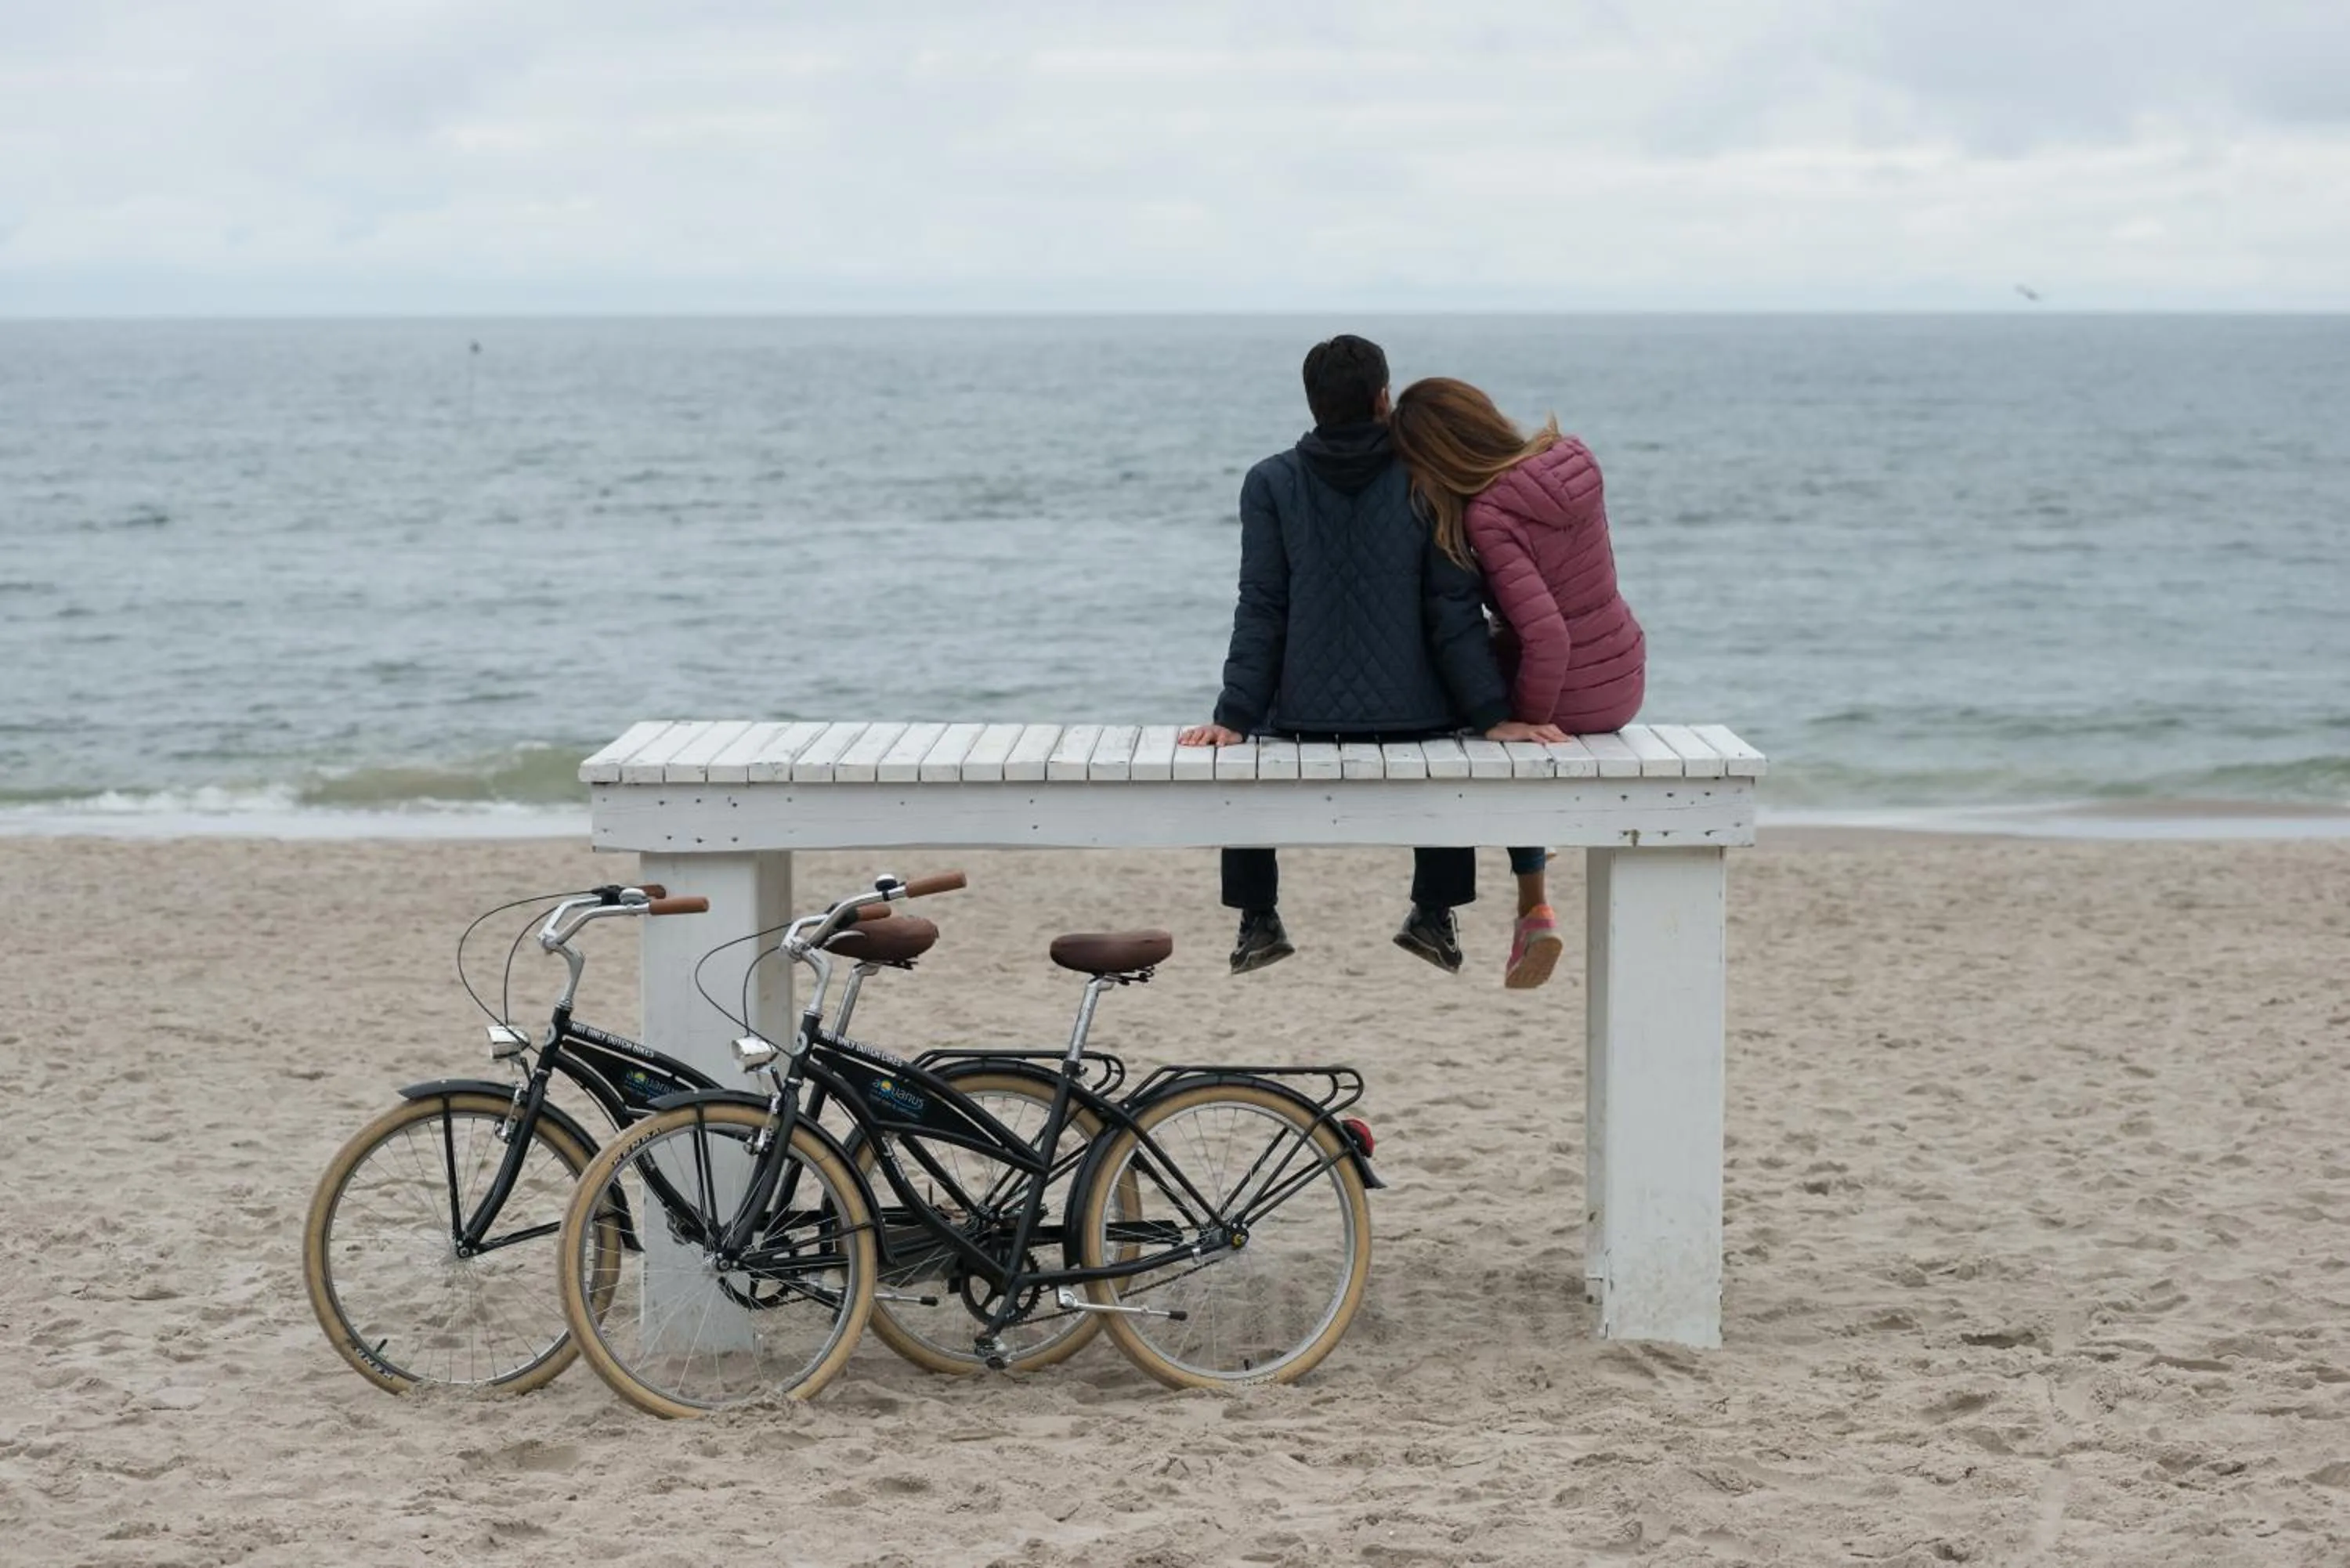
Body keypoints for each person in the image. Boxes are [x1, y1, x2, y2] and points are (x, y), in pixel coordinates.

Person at [1180, 336, 1564, 978]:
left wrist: (1234, 715)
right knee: (1452, 739)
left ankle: (1257, 917)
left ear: (1312, 403)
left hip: (1299, 717)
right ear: (1384, 399)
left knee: (1244, 757)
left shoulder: (1269, 482)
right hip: (1417, 719)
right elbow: (1452, 613)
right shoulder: (1429, 479)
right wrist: (1492, 714)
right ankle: (1435, 912)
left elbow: (1262, 607)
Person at [1388, 376, 1647, 990]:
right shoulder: (1574, 457)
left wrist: (1521, 720)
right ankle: (1530, 902)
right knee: (1498, 701)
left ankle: (1531, 905)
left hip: (1569, 688)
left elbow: (1548, 636)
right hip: (1626, 672)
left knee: (1478, 712)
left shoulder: (1489, 514)